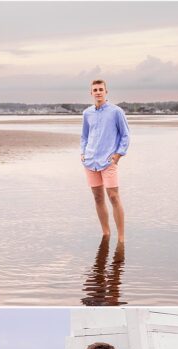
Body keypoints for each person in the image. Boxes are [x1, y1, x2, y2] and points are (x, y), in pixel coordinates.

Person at [80, 80, 130, 241]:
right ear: (91, 93)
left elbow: (125, 135)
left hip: (108, 161)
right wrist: (83, 152)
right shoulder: (87, 113)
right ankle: (106, 233)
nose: (98, 92)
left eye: (101, 89)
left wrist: (118, 155)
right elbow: (84, 136)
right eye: (95, 90)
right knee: (98, 197)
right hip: (90, 161)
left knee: (114, 196)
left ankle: (121, 238)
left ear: (106, 91)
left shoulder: (116, 112)